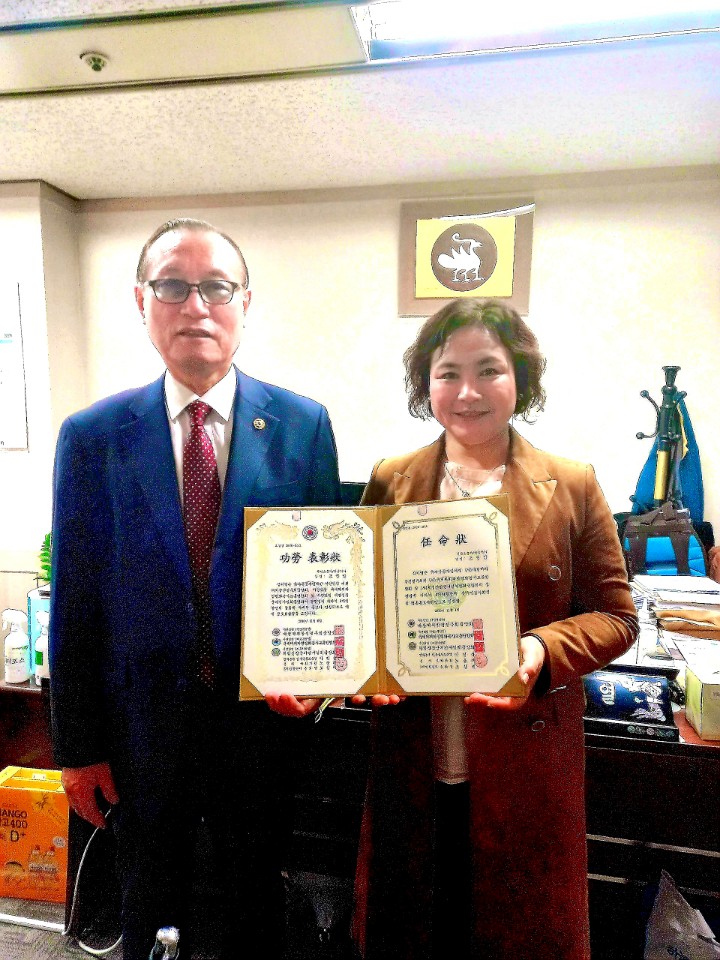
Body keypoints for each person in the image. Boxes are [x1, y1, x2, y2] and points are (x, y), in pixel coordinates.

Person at [49, 218, 341, 959]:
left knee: (254, 914)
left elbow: (327, 586)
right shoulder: (92, 437)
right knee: (148, 913)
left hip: (262, 733)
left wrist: (321, 686)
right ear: (141, 302)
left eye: (216, 287)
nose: (196, 306)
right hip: (139, 738)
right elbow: (75, 604)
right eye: (173, 286)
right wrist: (77, 748)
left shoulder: (304, 427)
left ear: (245, 302)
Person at [351, 298, 638, 960]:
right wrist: (352, 668)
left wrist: (540, 647)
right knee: (414, 933)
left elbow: (617, 617)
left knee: (517, 936)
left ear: (520, 378)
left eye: (489, 370)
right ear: (426, 383)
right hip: (412, 758)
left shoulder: (572, 484)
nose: (468, 392)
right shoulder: (394, 478)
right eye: (448, 373)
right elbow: (361, 603)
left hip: (523, 765)